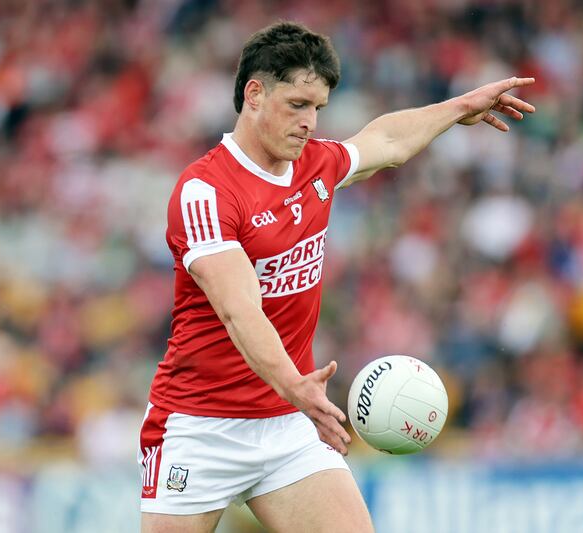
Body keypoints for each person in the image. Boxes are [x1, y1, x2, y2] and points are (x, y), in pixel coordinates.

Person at [138, 20, 534, 533]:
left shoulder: (316, 166)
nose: (309, 122)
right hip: (199, 426)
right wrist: (295, 386)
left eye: (318, 108)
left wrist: (460, 108)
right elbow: (239, 311)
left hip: (286, 424)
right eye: (297, 105)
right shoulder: (206, 191)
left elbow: (386, 140)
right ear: (254, 94)